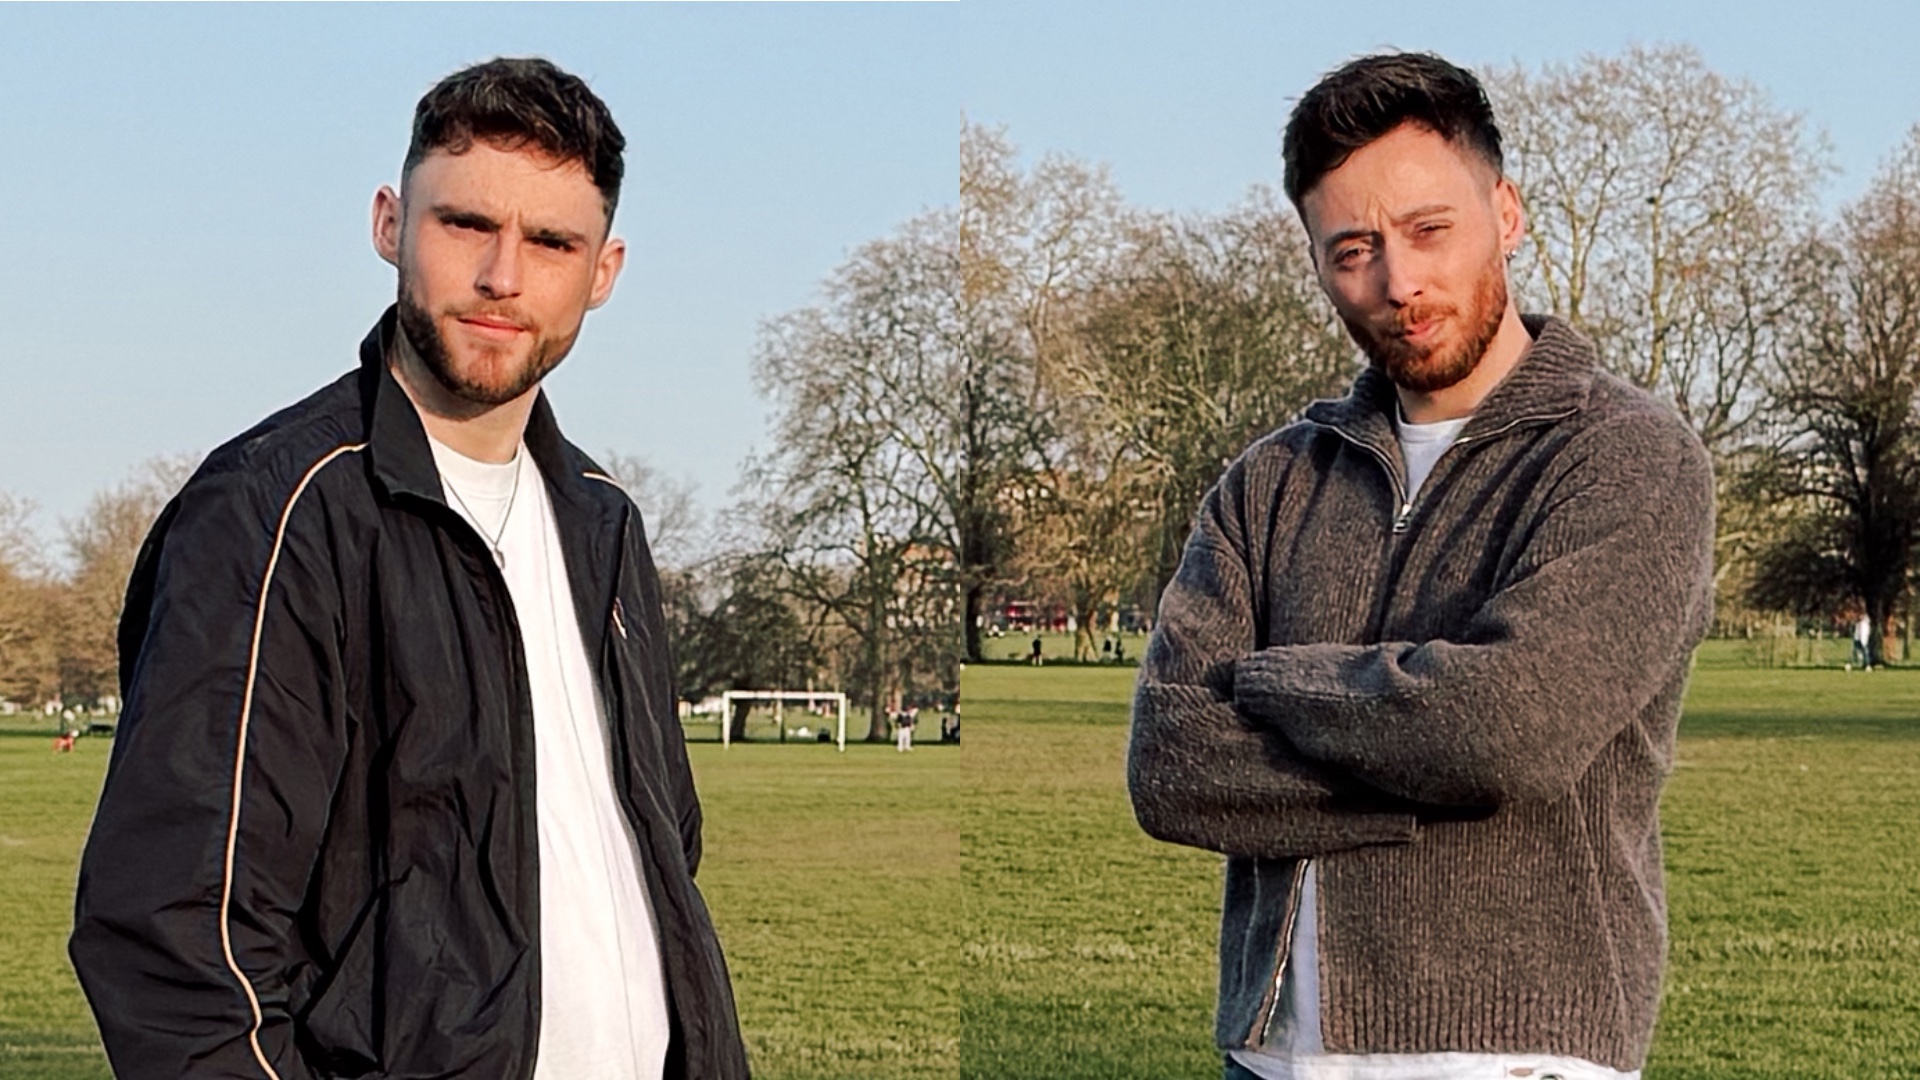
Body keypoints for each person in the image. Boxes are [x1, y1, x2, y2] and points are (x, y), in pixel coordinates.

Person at [70, 58, 750, 1080]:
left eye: (551, 242)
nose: (503, 278)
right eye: (466, 224)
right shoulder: (272, 514)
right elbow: (179, 944)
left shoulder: (604, 520)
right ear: (391, 223)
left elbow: (660, 857)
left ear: (602, 272)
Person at [1127, 52, 1714, 1080]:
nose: (1399, 283)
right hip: (1272, 1061)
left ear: (1508, 212)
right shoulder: (1272, 482)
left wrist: (1267, 681)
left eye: (1429, 230)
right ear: (1315, 260)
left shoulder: (1626, 454)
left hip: (1518, 1060)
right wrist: (1423, 757)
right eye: (1352, 249)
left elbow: (1510, 731)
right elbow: (1170, 764)